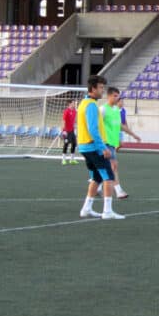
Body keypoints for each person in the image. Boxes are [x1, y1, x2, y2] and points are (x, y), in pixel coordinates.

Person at [77, 75, 124, 220]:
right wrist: (102, 147)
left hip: (85, 147)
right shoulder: (91, 105)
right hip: (93, 147)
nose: (102, 91)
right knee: (108, 176)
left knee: (96, 177)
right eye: (101, 88)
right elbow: (93, 129)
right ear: (93, 88)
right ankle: (107, 211)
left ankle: (86, 208)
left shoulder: (83, 103)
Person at [100, 87, 142, 200]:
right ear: (108, 96)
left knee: (106, 167)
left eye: (118, 96)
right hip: (105, 143)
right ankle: (119, 191)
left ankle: (97, 186)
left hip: (112, 143)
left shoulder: (115, 110)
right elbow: (96, 126)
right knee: (113, 165)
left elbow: (120, 125)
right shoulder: (103, 109)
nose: (117, 98)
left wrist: (133, 134)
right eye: (115, 96)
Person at [61, 99, 78, 165]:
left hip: (72, 130)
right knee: (66, 144)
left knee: (74, 144)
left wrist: (76, 126)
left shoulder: (74, 111)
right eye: (73, 103)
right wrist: (64, 130)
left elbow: (74, 120)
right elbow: (63, 121)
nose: (74, 104)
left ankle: (72, 159)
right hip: (66, 131)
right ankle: (63, 159)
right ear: (69, 104)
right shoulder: (66, 111)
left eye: (74, 103)